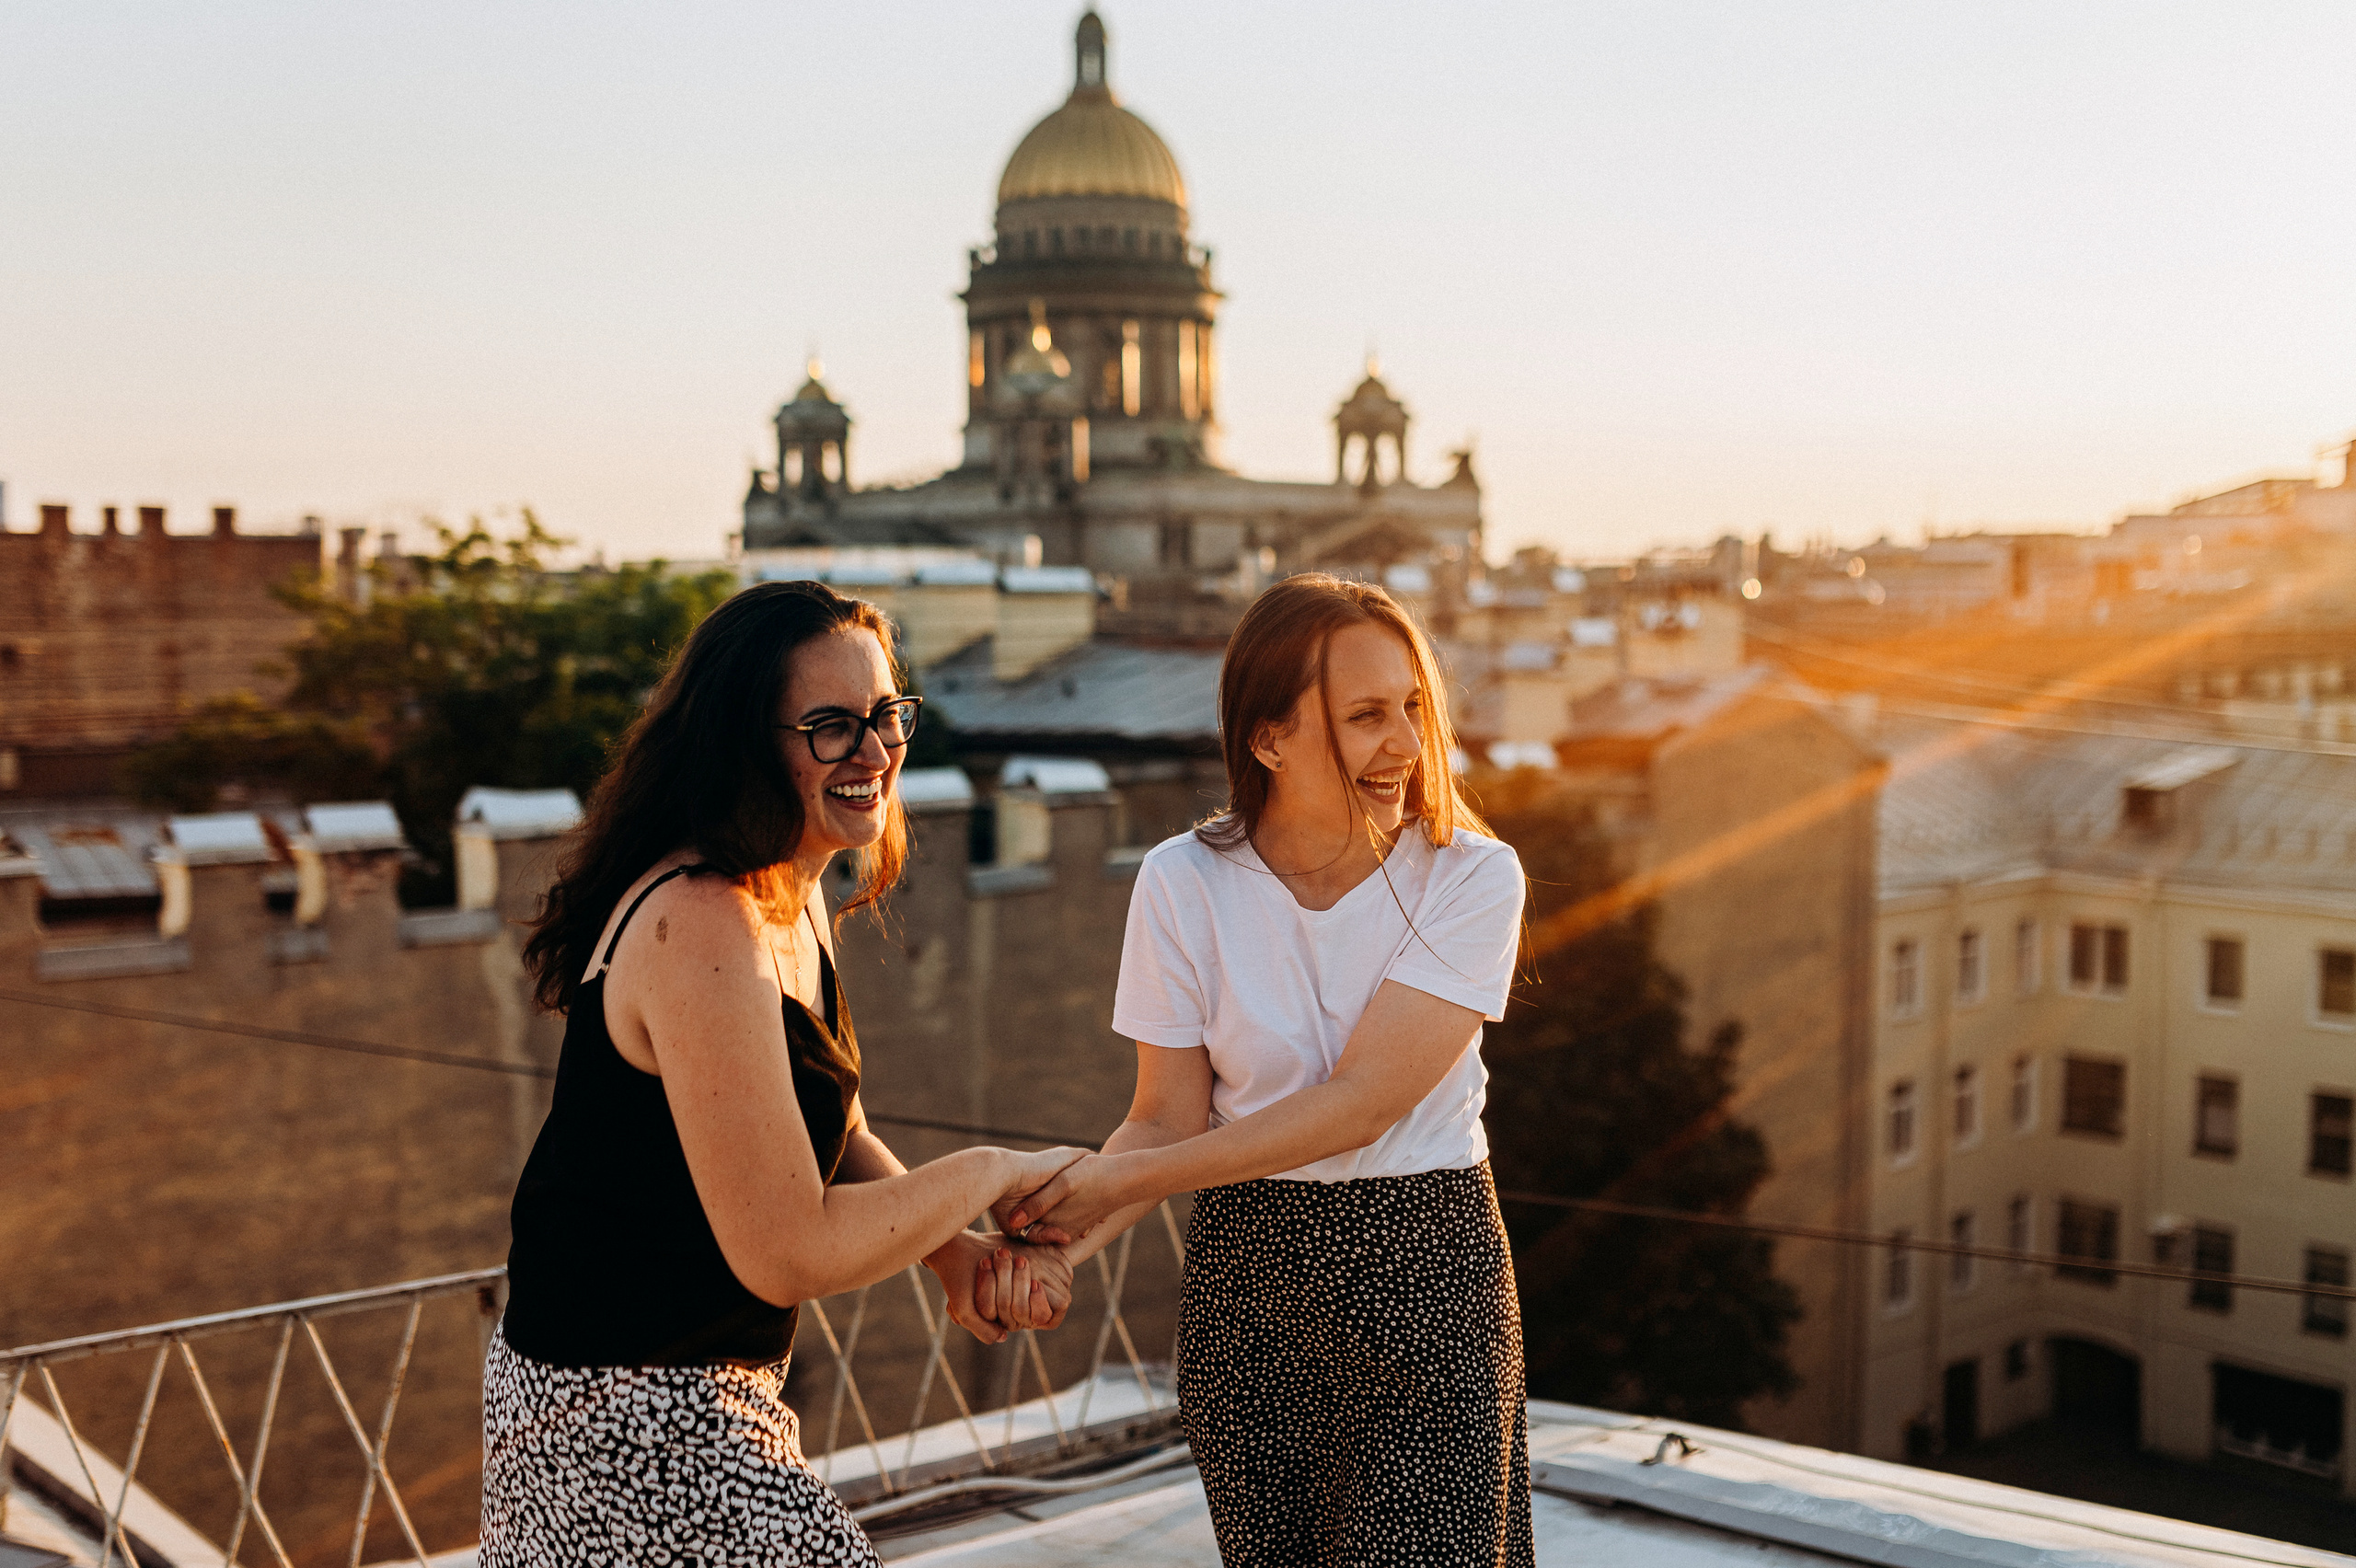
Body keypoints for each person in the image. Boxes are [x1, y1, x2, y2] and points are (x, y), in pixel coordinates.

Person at [482, 581, 1084, 1565]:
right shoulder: (705, 920)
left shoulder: (787, 891)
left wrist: (955, 1254)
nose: (876, 753)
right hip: (612, 1421)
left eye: (888, 716)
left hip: (686, 1398)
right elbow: (787, 1252)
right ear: (745, 742)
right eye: (830, 727)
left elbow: (830, 1130)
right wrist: (986, 1172)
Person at [998, 574, 1532, 1566]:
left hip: (1425, 1278)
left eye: (1413, 707)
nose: (1408, 745)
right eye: (1367, 715)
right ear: (1268, 738)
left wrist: (1118, 1182)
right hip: (1249, 1296)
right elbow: (1163, 1120)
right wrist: (1058, 1246)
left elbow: (1361, 1105)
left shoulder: (1470, 877)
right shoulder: (1182, 881)